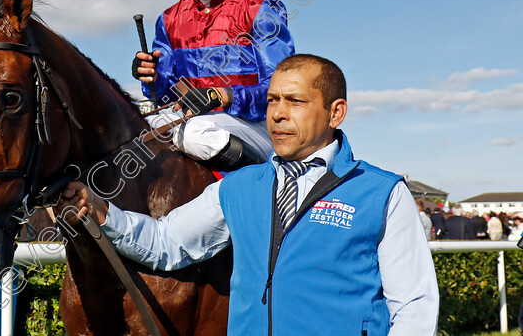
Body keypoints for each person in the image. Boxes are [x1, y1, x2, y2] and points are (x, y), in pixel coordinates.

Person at [60, 54, 438, 335]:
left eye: (295, 101)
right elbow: (167, 242)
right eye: (273, 100)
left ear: (336, 112)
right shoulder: (238, 187)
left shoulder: (383, 193)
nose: (277, 113)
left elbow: (414, 308)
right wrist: (103, 211)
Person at [133, 0, 294, 173]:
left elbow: (282, 92)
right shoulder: (169, 18)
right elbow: (164, 97)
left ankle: (269, 181)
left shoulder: (261, 10)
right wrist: (150, 77)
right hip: (189, 125)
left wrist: (223, 96)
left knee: (195, 132)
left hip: (253, 126)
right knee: (132, 128)